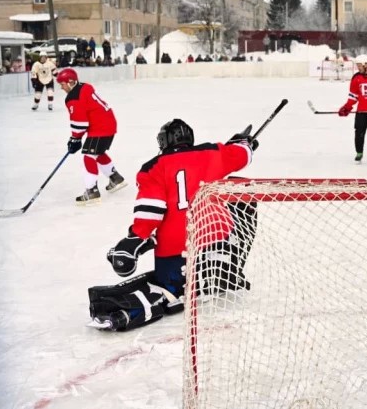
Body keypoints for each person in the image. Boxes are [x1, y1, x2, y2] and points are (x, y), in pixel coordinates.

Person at [87, 119, 258, 331]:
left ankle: (128, 311)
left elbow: (150, 212)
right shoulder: (214, 152)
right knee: (241, 188)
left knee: (166, 287)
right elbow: (243, 154)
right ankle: (223, 269)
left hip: (176, 247)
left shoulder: (153, 167)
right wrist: (243, 143)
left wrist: (136, 238)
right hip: (216, 235)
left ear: (163, 142)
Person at [56, 68, 127, 204]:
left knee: (89, 156)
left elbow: (80, 123)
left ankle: (92, 191)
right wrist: (76, 138)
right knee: (97, 152)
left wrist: (75, 139)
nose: (61, 87)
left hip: (100, 127)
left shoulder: (73, 98)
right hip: (108, 123)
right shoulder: (84, 86)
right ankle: (115, 178)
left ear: (70, 82)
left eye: (63, 84)